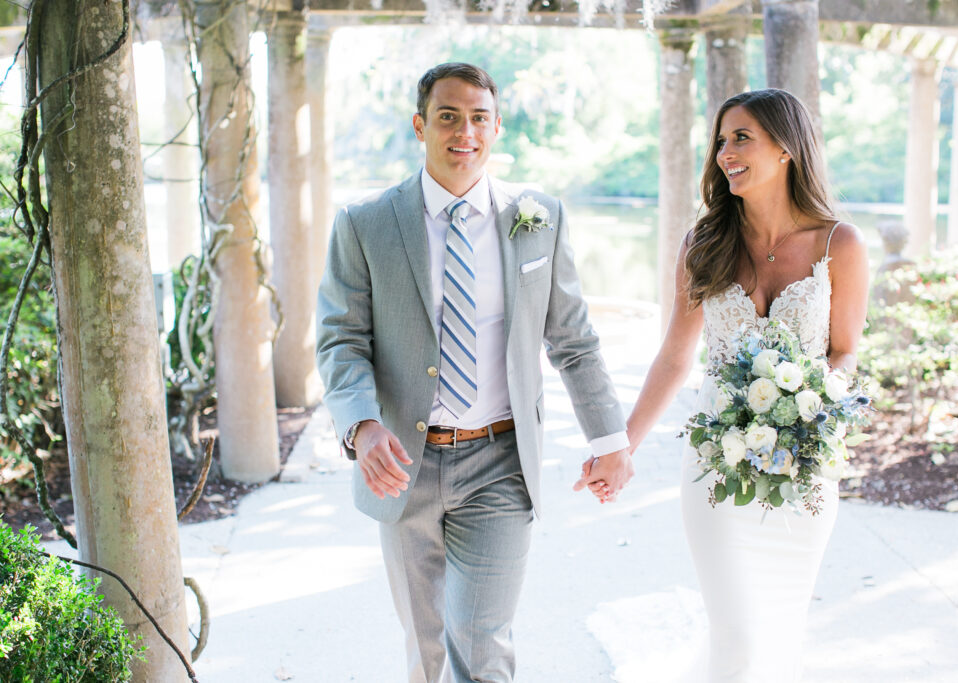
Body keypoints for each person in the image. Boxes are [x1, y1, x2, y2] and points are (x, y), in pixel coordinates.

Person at [315, 62, 633, 683]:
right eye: (448, 116)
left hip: (500, 463)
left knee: (482, 643)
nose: (465, 131)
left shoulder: (538, 217)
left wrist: (610, 439)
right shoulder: (365, 224)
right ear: (420, 125)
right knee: (426, 646)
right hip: (402, 465)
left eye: (478, 117)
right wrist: (361, 426)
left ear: (496, 127)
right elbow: (341, 338)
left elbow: (573, 339)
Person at [619, 88, 869, 681]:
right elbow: (676, 357)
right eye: (721, 141)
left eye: (741, 138)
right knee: (737, 632)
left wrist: (809, 405)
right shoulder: (703, 245)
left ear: (786, 148)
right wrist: (621, 446)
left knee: (777, 632)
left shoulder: (841, 244)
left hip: (803, 470)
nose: (725, 152)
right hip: (715, 468)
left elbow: (844, 352)